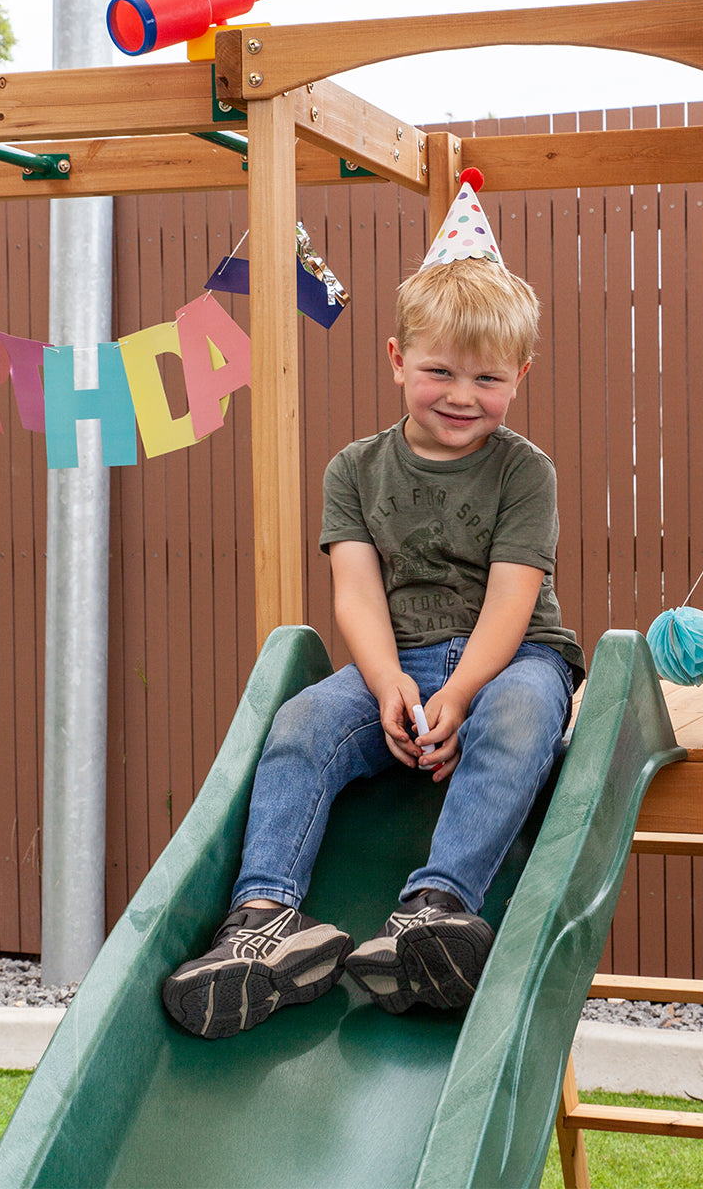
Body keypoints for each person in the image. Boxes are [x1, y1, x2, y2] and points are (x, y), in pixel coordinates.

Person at [161, 169, 585, 1040]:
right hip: (395, 658)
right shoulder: (355, 470)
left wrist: (459, 696)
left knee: (519, 718)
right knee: (303, 725)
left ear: (522, 375)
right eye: (439, 370)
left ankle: (434, 910)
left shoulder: (523, 470)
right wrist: (389, 683)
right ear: (396, 361)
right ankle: (265, 921)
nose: (463, 396)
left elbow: (514, 597)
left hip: (510, 659)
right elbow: (354, 589)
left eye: (488, 378)